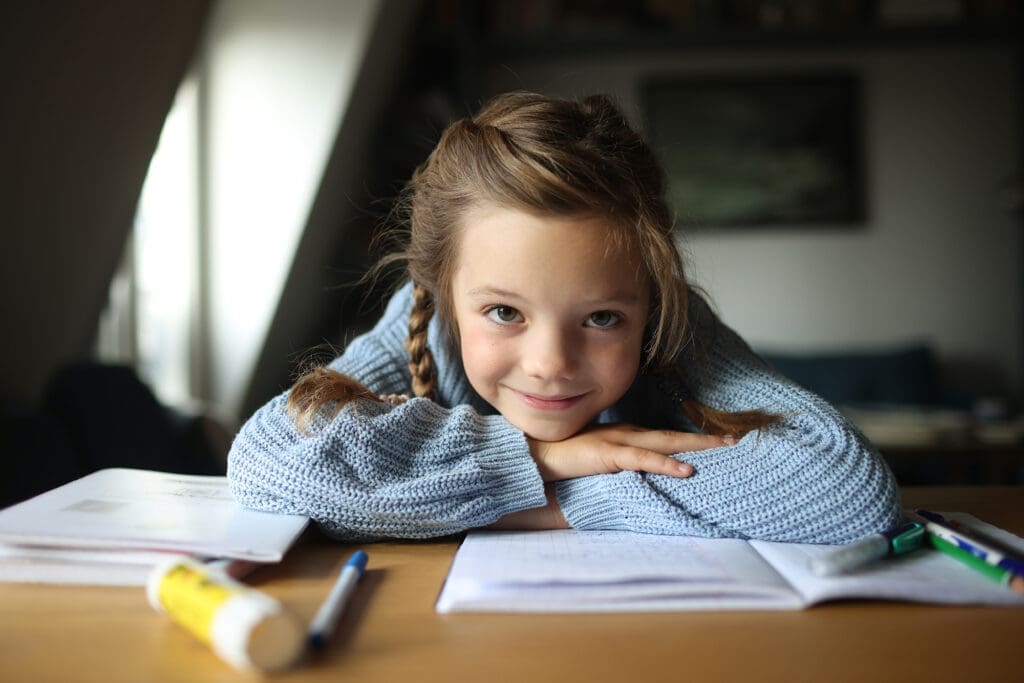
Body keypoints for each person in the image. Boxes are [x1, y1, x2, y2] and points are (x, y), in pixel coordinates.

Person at [227, 91, 900, 544]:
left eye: (603, 317)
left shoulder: (676, 327)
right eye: (503, 312)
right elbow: (269, 464)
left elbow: (847, 487)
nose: (551, 362)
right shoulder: (421, 320)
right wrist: (536, 455)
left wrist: (545, 501)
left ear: (650, 297)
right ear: (441, 288)